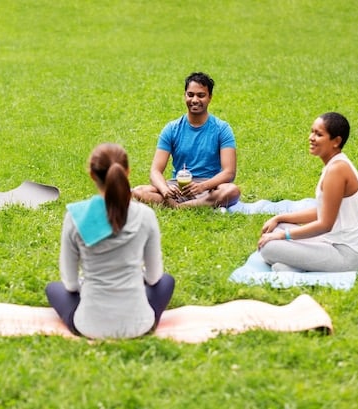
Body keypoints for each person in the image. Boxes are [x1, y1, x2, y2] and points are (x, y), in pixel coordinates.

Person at [45, 143, 175, 339]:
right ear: (127, 172)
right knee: (166, 281)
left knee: (53, 288)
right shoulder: (145, 215)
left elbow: (70, 285)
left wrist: (88, 283)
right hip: (139, 325)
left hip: (89, 326)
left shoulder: (75, 218)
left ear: (92, 174)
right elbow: (154, 278)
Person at [257, 112, 358, 272]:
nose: (311, 137)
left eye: (318, 134)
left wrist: (284, 236)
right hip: (332, 241)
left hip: (350, 255)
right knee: (280, 226)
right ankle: (291, 265)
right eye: (312, 131)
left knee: (269, 247)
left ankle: (292, 264)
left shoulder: (337, 170)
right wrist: (279, 217)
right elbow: (322, 212)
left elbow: (325, 224)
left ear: (336, 141)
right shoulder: (335, 164)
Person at [132, 72, 240, 208]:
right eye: (190, 95)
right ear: (185, 96)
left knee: (232, 191)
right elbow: (155, 171)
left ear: (209, 98)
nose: (195, 100)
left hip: (209, 188)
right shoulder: (172, 128)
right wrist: (165, 190)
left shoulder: (222, 129)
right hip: (178, 187)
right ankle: (185, 205)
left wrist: (202, 186)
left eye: (201, 95)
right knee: (138, 191)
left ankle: (179, 207)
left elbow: (229, 172)